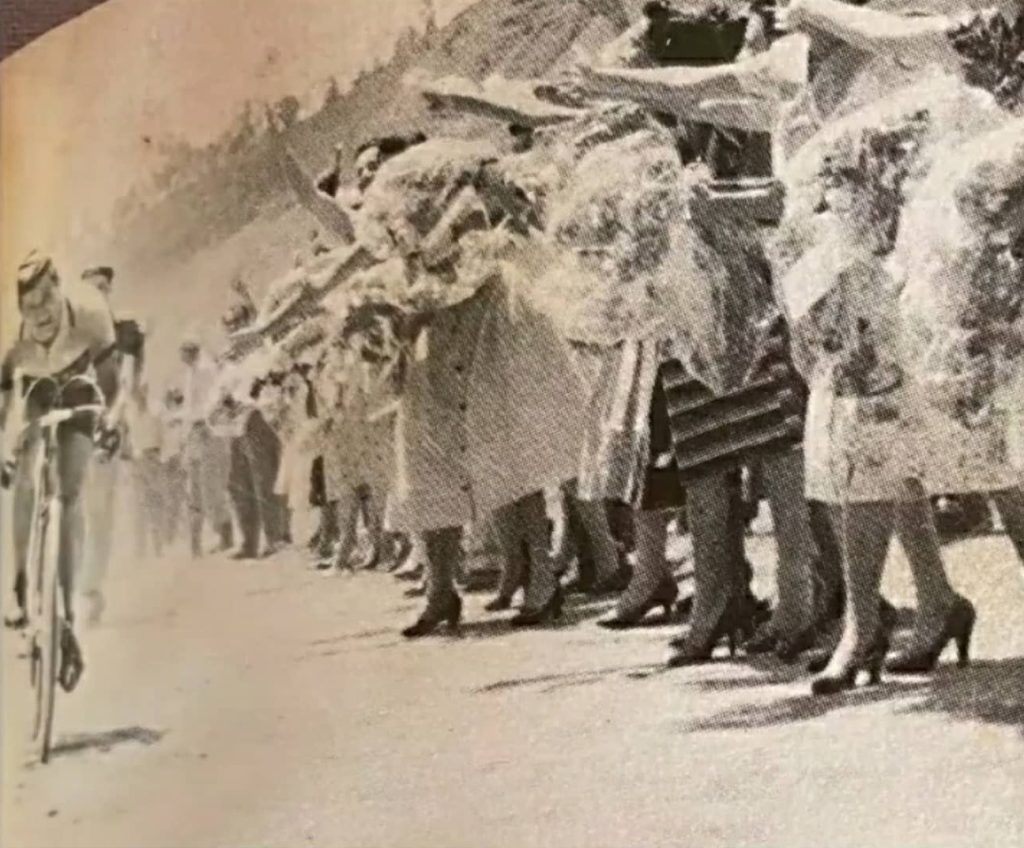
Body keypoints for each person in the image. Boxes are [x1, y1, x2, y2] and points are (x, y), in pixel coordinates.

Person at [0, 252, 120, 690]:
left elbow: (112, 386)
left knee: (69, 494)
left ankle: (66, 615)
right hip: (35, 390)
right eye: (29, 308)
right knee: (26, 472)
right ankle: (19, 583)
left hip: (80, 389)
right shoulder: (10, 337)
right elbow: (3, 403)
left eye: (46, 301)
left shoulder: (90, 310)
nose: (41, 314)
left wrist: (112, 421)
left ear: (60, 290)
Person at [78, 264, 143, 623]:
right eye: (90, 290)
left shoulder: (125, 332)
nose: (97, 296)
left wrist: (118, 425)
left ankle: (91, 588)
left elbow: (128, 382)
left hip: (106, 425)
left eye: (103, 288)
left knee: (99, 513)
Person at [179, 336, 233, 557]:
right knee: (195, 491)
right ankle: (196, 544)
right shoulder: (191, 373)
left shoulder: (206, 371)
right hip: (195, 433)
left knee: (211, 490)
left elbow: (213, 403)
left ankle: (225, 535)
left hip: (209, 433)